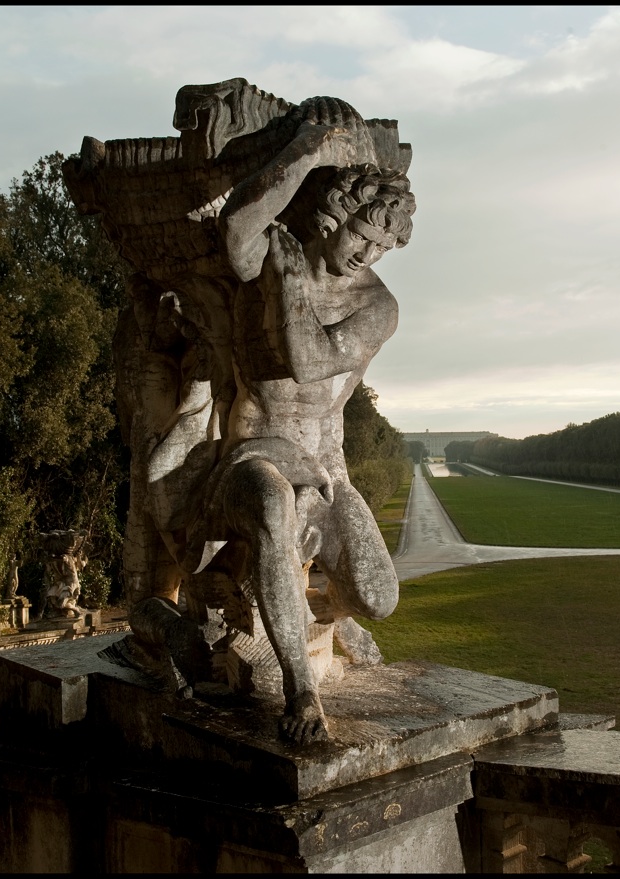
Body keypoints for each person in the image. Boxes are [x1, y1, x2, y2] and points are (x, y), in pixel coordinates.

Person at [205, 107, 415, 743]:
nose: (367, 254)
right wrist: (305, 151)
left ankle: (324, 607)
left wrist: (292, 289)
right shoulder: (278, 251)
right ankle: (300, 690)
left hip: (325, 467)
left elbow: (310, 361)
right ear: (331, 215)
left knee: (378, 597)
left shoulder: (376, 304)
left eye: (381, 246)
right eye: (360, 236)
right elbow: (235, 228)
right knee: (272, 505)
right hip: (255, 455)